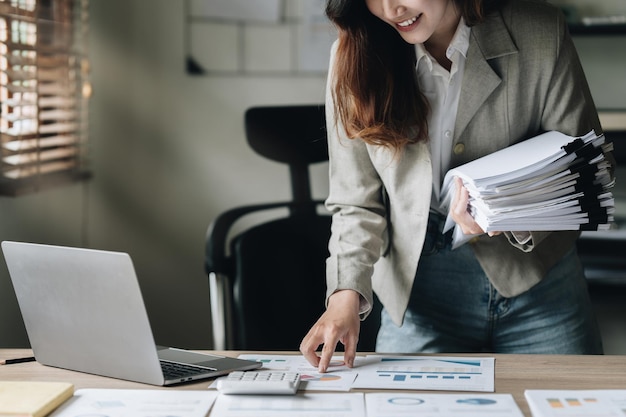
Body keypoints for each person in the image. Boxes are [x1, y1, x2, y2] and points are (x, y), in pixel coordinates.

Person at [300, 0, 612, 373]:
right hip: (423, 294)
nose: (390, 8)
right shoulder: (354, 54)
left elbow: (590, 168)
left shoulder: (540, 32)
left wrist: (511, 209)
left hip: (539, 285)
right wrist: (344, 295)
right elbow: (356, 203)